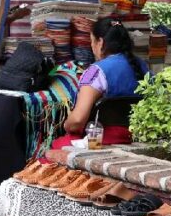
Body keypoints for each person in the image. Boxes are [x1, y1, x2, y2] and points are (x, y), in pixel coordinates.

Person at [55, 18, 149, 147]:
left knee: (55, 147)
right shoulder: (143, 66)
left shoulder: (96, 72)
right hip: (137, 136)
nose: (92, 47)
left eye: (92, 41)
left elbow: (77, 121)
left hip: (99, 141)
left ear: (100, 42)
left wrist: (66, 125)